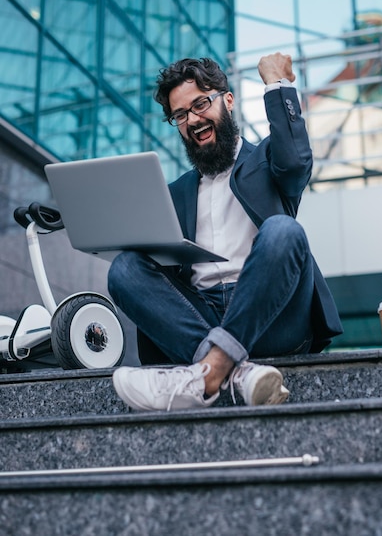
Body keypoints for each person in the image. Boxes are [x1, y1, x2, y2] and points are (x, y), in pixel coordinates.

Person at [108, 52, 343, 412]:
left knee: (283, 231)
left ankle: (206, 373)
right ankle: (235, 373)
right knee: (124, 269)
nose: (192, 119)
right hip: (198, 318)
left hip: (272, 314)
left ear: (227, 101)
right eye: (180, 115)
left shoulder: (268, 160)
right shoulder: (174, 193)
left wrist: (277, 85)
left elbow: (296, 163)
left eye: (201, 104)